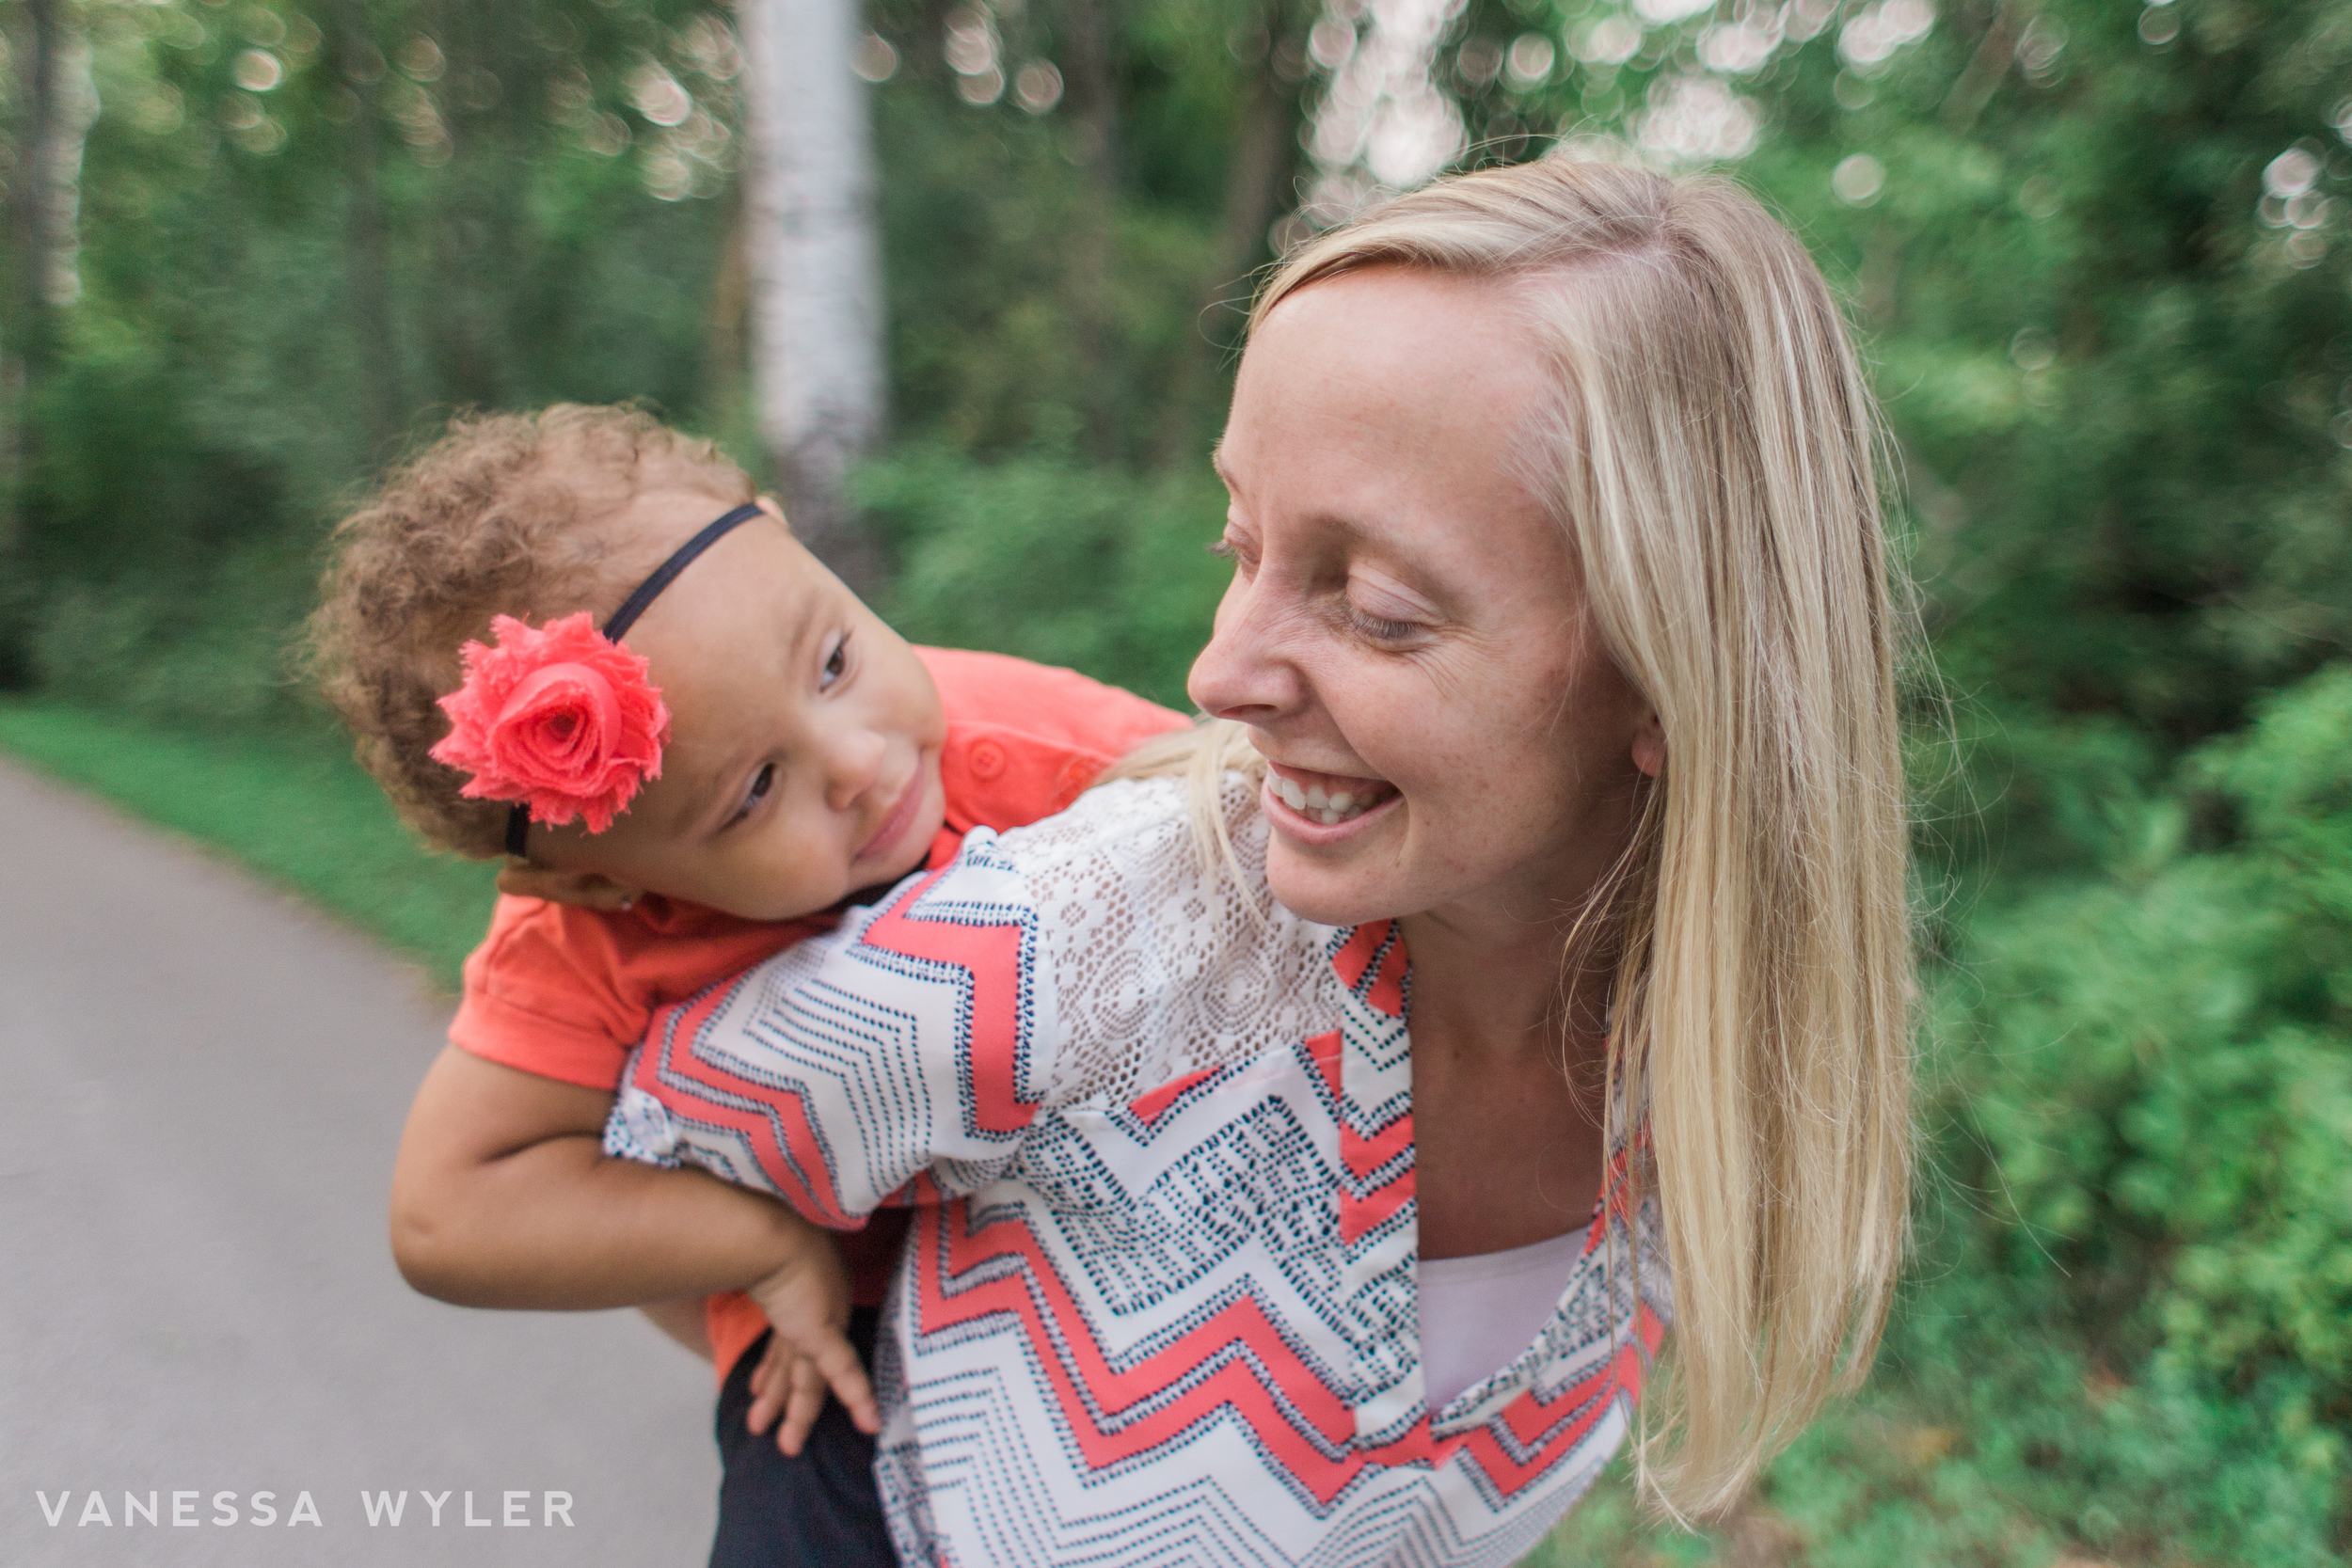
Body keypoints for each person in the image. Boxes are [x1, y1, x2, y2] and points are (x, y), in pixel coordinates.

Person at [603, 155, 1915, 1564]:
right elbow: (632, 1142)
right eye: (1243, 544)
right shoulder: (1080, 955)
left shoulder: (1721, 1052)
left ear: (1680, 675)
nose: (1217, 672)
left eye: (1377, 607)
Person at [303, 404, 1186, 1566]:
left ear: (787, 537)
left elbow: (1250, 832)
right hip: (844, 1344)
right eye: (754, 792)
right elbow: (444, 1214)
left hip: (1126, 1263)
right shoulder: (586, 941)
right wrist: (758, 1244)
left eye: (832, 660)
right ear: (602, 882)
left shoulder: (1032, 745)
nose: (862, 762)